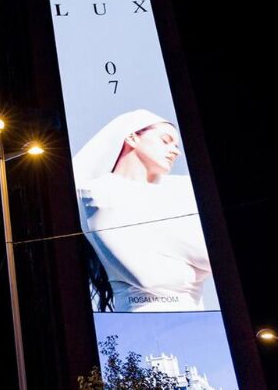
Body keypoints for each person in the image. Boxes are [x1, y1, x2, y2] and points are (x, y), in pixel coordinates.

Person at [73, 109, 212, 312]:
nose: (176, 151)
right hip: (143, 317)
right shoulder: (97, 193)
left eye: (176, 145)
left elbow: (212, 255)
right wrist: (193, 267)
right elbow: (149, 278)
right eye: (165, 140)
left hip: (201, 318)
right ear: (132, 138)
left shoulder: (184, 187)